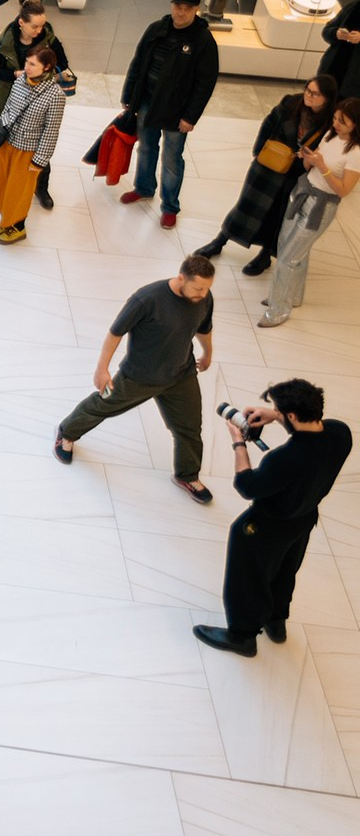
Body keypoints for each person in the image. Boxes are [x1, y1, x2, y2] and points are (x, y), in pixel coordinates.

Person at [193, 379, 352, 657]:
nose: (274, 412)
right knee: (284, 570)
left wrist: (238, 443)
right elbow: (303, 432)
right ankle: (276, 621)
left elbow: (247, 486)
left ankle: (241, 635)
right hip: (303, 518)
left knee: (247, 575)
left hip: (267, 524)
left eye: (278, 409)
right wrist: (276, 416)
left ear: (292, 415)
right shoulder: (340, 433)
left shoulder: (286, 458)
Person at [55, 258, 218, 502]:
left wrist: (207, 353)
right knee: (104, 405)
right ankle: (66, 433)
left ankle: (187, 475)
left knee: (190, 428)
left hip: (181, 375)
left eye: (206, 288)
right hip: (139, 376)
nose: (203, 293)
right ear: (181, 278)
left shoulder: (204, 297)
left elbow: (203, 328)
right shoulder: (147, 299)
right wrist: (102, 369)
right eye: (198, 288)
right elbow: (115, 333)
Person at [198, 76, 337, 274]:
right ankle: (220, 241)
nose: (309, 96)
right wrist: (258, 151)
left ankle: (264, 256)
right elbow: (268, 124)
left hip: (296, 174)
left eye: (316, 94)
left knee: (278, 216)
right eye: (308, 90)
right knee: (245, 206)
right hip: (268, 165)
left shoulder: (329, 123)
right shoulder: (291, 103)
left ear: (327, 99)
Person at [120, 0, 221, 230]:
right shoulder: (156, 29)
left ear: (196, 10)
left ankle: (170, 206)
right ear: (171, 5)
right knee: (146, 147)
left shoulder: (203, 41)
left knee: (171, 159)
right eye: (178, 6)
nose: (181, 12)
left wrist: (191, 117)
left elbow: (205, 83)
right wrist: (129, 95)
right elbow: (138, 62)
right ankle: (144, 187)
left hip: (177, 111)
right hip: (147, 102)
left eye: (188, 9)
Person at [259, 97, 360, 328]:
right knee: (288, 247)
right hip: (302, 192)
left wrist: (322, 166)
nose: (335, 123)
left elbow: (343, 190)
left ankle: (278, 309)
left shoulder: (355, 153)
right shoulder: (329, 136)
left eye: (342, 121)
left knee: (288, 258)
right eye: (335, 118)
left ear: (355, 124)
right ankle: (290, 296)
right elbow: (310, 168)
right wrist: (309, 159)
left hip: (321, 205)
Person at [0, 48, 66, 244]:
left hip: (27, 151)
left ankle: (17, 227)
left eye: (33, 64)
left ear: (47, 67)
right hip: (7, 143)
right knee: (2, 184)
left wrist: (39, 161)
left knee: (19, 191)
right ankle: (4, 222)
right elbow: (7, 108)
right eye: (27, 62)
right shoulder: (19, 81)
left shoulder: (55, 95)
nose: (27, 67)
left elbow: (51, 132)